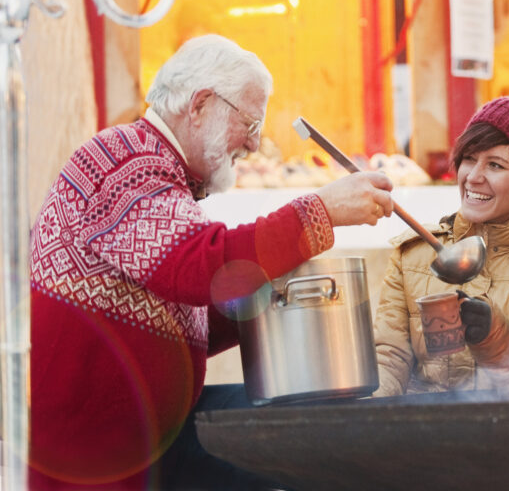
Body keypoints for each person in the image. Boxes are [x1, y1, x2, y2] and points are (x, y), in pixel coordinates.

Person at [29, 35, 395, 491]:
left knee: (312, 437)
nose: (257, 143)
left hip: (152, 432)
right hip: (99, 453)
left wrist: (275, 304)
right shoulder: (123, 162)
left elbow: (187, 302)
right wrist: (319, 211)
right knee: (311, 452)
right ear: (200, 104)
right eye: (250, 121)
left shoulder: (160, 171)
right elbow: (198, 266)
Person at [373, 96, 509, 395]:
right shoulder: (413, 254)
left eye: (495, 165)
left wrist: (494, 337)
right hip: (424, 431)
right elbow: (388, 357)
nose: (473, 177)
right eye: (469, 159)